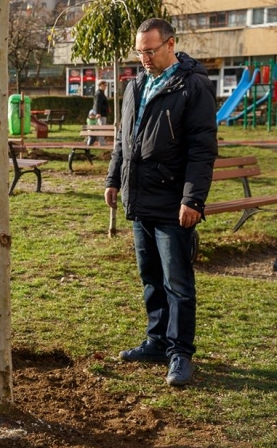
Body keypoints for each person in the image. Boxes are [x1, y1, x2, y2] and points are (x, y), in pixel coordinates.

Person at [103, 18, 217, 387]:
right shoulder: (135, 85)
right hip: (140, 199)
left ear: (170, 44)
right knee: (150, 276)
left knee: (178, 283)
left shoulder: (193, 86)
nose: (144, 58)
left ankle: (180, 353)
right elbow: (124, 140)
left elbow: (202, 149)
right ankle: (156, 340)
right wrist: (113, 179)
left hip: (173, 203)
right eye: (139, 51)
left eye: (150, 51)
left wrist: (192, 198)